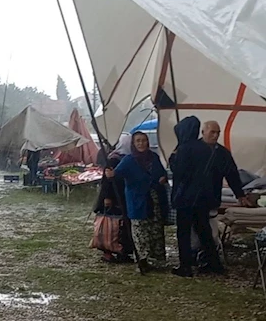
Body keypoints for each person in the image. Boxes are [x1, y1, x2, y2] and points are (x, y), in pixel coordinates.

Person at [105, 131, 169, 274]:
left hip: (154, 199)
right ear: (133, 143)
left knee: (155, 229)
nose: (141, 143)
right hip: (137, 199)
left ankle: (154, 257)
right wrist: (111, 174)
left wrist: (162, 179)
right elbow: (116, 174)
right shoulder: (129, 160)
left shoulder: (154, 158)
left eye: (143, 140)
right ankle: (142, 259)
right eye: (138, 141)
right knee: (140, 230)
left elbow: (162, 173)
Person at [193, 121, 252, 269]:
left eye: (217, 133)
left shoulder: (222, 153)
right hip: (193, 198)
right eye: (212, 132)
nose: (215, 135)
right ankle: (194, 257)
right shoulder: (192, 149)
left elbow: (232, 174)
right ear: (203, 132)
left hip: (212, 197)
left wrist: (240, 195)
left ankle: (208, 259)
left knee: (212, 232)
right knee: (194, 233)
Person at [169, 116, 223, 277]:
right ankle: (214, 263)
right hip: (202, 198)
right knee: (204, 230)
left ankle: (186, 266)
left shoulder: (184, 148)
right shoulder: (205, 148)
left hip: (185, 198)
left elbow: (180, 172)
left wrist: (173, 159)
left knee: (184, 233)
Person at [94, 134, 135, 263]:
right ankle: (108, 252)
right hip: (112, 197)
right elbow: (107, 180)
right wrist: (107, 197)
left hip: (122, 196)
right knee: (111, 227)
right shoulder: (113, 159)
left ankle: (122, 251)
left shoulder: (128, 158)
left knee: (121, 226)